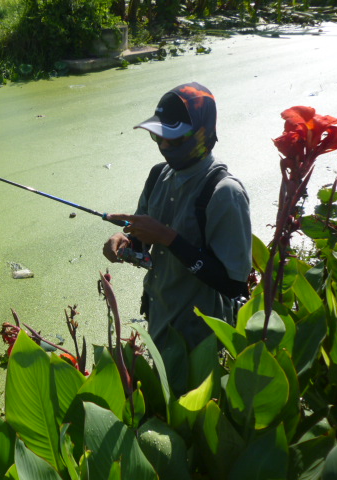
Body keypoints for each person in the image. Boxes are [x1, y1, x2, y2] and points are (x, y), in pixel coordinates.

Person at [103, 82, 252, 350]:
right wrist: (125, 241)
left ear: (203, 133)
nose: (164, 145)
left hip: (201, 338)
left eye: (176, 138)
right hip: (159, 320)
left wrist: (170, 239)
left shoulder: (224, 193)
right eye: (158, 136)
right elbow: (142, 237)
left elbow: (233, 285)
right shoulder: (157, 175)